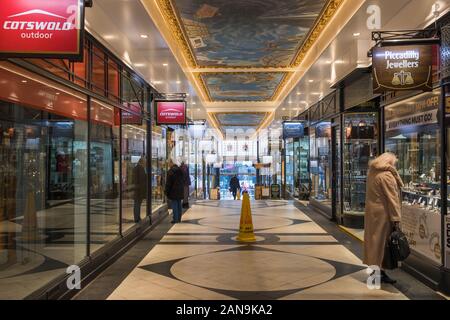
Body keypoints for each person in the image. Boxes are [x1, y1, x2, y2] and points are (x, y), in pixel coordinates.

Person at [364, 152, 403, 284]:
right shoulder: (386, 175)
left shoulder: (372, 172)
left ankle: (377, 273)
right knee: (381, 246)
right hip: (383, 215)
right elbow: (392, 199)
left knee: (374, 244)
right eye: (393, 163)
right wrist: (396, 218)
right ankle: (378, 275)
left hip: (372, 213)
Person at [165, 158, 184, 223]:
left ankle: (175, 219)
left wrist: (166, 191)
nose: (168, 165)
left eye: (168, 164)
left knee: (174, 204)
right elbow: (183, 180)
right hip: (180, 190)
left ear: (171, 163)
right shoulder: (180, 170)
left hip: (173, 191)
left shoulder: (170, 171)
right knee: (179, 204)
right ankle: (179, 218)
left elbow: (168, 183)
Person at [133, 156, 147, 223]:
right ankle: (137, 218)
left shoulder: (136, 168)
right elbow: (142, 181)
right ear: (142, 162)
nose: (145, 164)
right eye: (145, 162)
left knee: (137, 203)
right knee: (137, 204)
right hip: (139, 190)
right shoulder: (140, 168)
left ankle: (137, 217)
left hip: (137, 189)